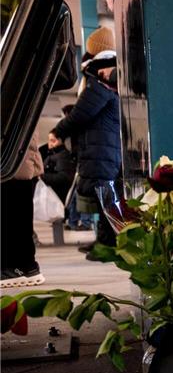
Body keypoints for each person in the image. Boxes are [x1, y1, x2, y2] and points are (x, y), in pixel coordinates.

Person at [53, 27, 122, 253]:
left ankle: (110, 243)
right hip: (102, 143)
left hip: (101, 145)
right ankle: (104, 240)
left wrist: (59, 130)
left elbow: (83, 112)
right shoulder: (107, 74)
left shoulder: (101, 75)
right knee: (104, 195)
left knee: (106, 196)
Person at [1, 131, 45, 288]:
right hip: (14, 161)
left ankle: (19, 267)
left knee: (13, 216)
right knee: (14, 216)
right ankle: (22, 266)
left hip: (12, 162)